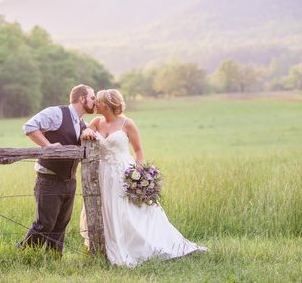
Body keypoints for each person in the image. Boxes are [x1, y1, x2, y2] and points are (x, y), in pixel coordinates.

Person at [81, 89, 208, 267]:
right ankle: (106, 248)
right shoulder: (95, 121)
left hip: (124, 173)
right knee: (107, 210)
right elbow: (85, 131)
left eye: (98, 102)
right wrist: (86, 130)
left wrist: (138, 177)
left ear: (107, 106)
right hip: (102, 174)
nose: (95, 104)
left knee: (129, 212)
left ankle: (139, 246)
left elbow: (138, 151)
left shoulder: (127, 123)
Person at [18, 84, 96, 256]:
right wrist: (48, 146)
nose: (95, 102)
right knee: (44, 224)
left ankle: (54, 259)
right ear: (82, 99)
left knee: (61, 224)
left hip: (70, 180)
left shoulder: (82, 122)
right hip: (49, 178)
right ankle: (23, 255)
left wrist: (90, 129)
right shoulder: (57, 113)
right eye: (92, 97)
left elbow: (91, 133)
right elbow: (29, 127)